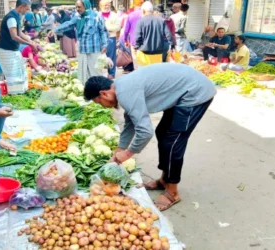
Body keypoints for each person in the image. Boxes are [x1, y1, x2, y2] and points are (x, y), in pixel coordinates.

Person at [83, 63, 216, 211]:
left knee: (173, 141)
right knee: (163, 133)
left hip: (195, 93)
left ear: (103, 94)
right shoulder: (121, 86)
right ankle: (165, 180)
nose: (103, 106)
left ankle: (172, 192)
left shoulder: (126, 92)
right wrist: (120, 148)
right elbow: (131, 122)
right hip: (184, 91)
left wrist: (127, 153)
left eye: (99, 102)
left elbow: (145, 132)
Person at [49, 0, 108, 84]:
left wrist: (105, 44)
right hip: (83, 50)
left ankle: (97, 91)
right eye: (76, 7)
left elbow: (103, 31)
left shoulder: (97, 17)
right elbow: (68, 24)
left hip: (94, 50)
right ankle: (86, 91)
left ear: (86, 6)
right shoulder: (78, 17)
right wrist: (55, 30)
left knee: (95, 72)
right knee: (83, 73)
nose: (77, 9)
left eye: (79, 7)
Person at [0, 0, 38, 94]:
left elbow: (19, 32)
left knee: (19, 73)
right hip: (6, 50)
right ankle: (14, 95)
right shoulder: (11, 18)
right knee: (12, 76)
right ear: (21, 7)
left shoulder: (16, 17)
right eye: (26, 9)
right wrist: (29, 44)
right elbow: (14, 36)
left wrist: (30, 41)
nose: (27, 11)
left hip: (12, 50)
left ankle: (18, 93)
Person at [134, 1, 174, 67]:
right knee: (156, 74)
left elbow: (137, 38)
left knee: (144, 74)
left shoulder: (141, 21)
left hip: (144, 54)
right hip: (158, 53)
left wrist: (137, 47)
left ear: (143, 11)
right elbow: (169, 35)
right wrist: (172, 45)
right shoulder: (161, 21)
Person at [100, 0, 121, 79]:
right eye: (104, 5)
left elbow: (118, 27)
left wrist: (107, 29)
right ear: (101, 6)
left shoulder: (114, 15)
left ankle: (111, 74)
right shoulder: (98, 15)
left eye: (108, 4)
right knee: (101, 56)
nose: (106, 6)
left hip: (111, 38)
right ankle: (101, 73)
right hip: (100, 39)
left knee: (111, 56)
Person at [121, 0, 145, 70]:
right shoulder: (146, 15)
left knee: (135, 59)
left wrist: (125, 40)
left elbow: (126, 30)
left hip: (134, 40)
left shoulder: (131, 15)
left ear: (134, 5)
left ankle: (137, 72)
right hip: (145, 41)